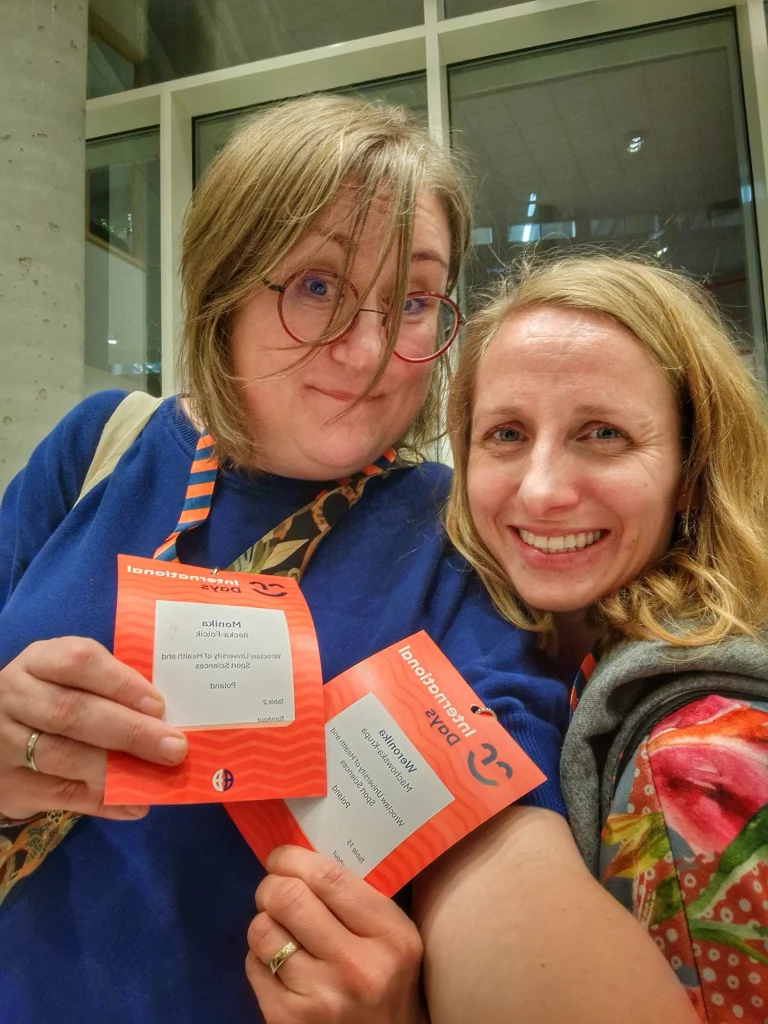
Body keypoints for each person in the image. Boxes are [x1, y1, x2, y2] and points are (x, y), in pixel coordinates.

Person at [0, 94, 674, 1024]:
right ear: (225, 286)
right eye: (317, 285)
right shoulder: (101, 446)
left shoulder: (458, 537)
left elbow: (509, 859)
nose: (367, 352)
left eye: (413, 301)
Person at [446, 252, 768, 1023]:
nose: (542, 490)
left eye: (603, 434)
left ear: (690, 469)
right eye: (506, 434)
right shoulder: (503, 657)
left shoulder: (698, 767)